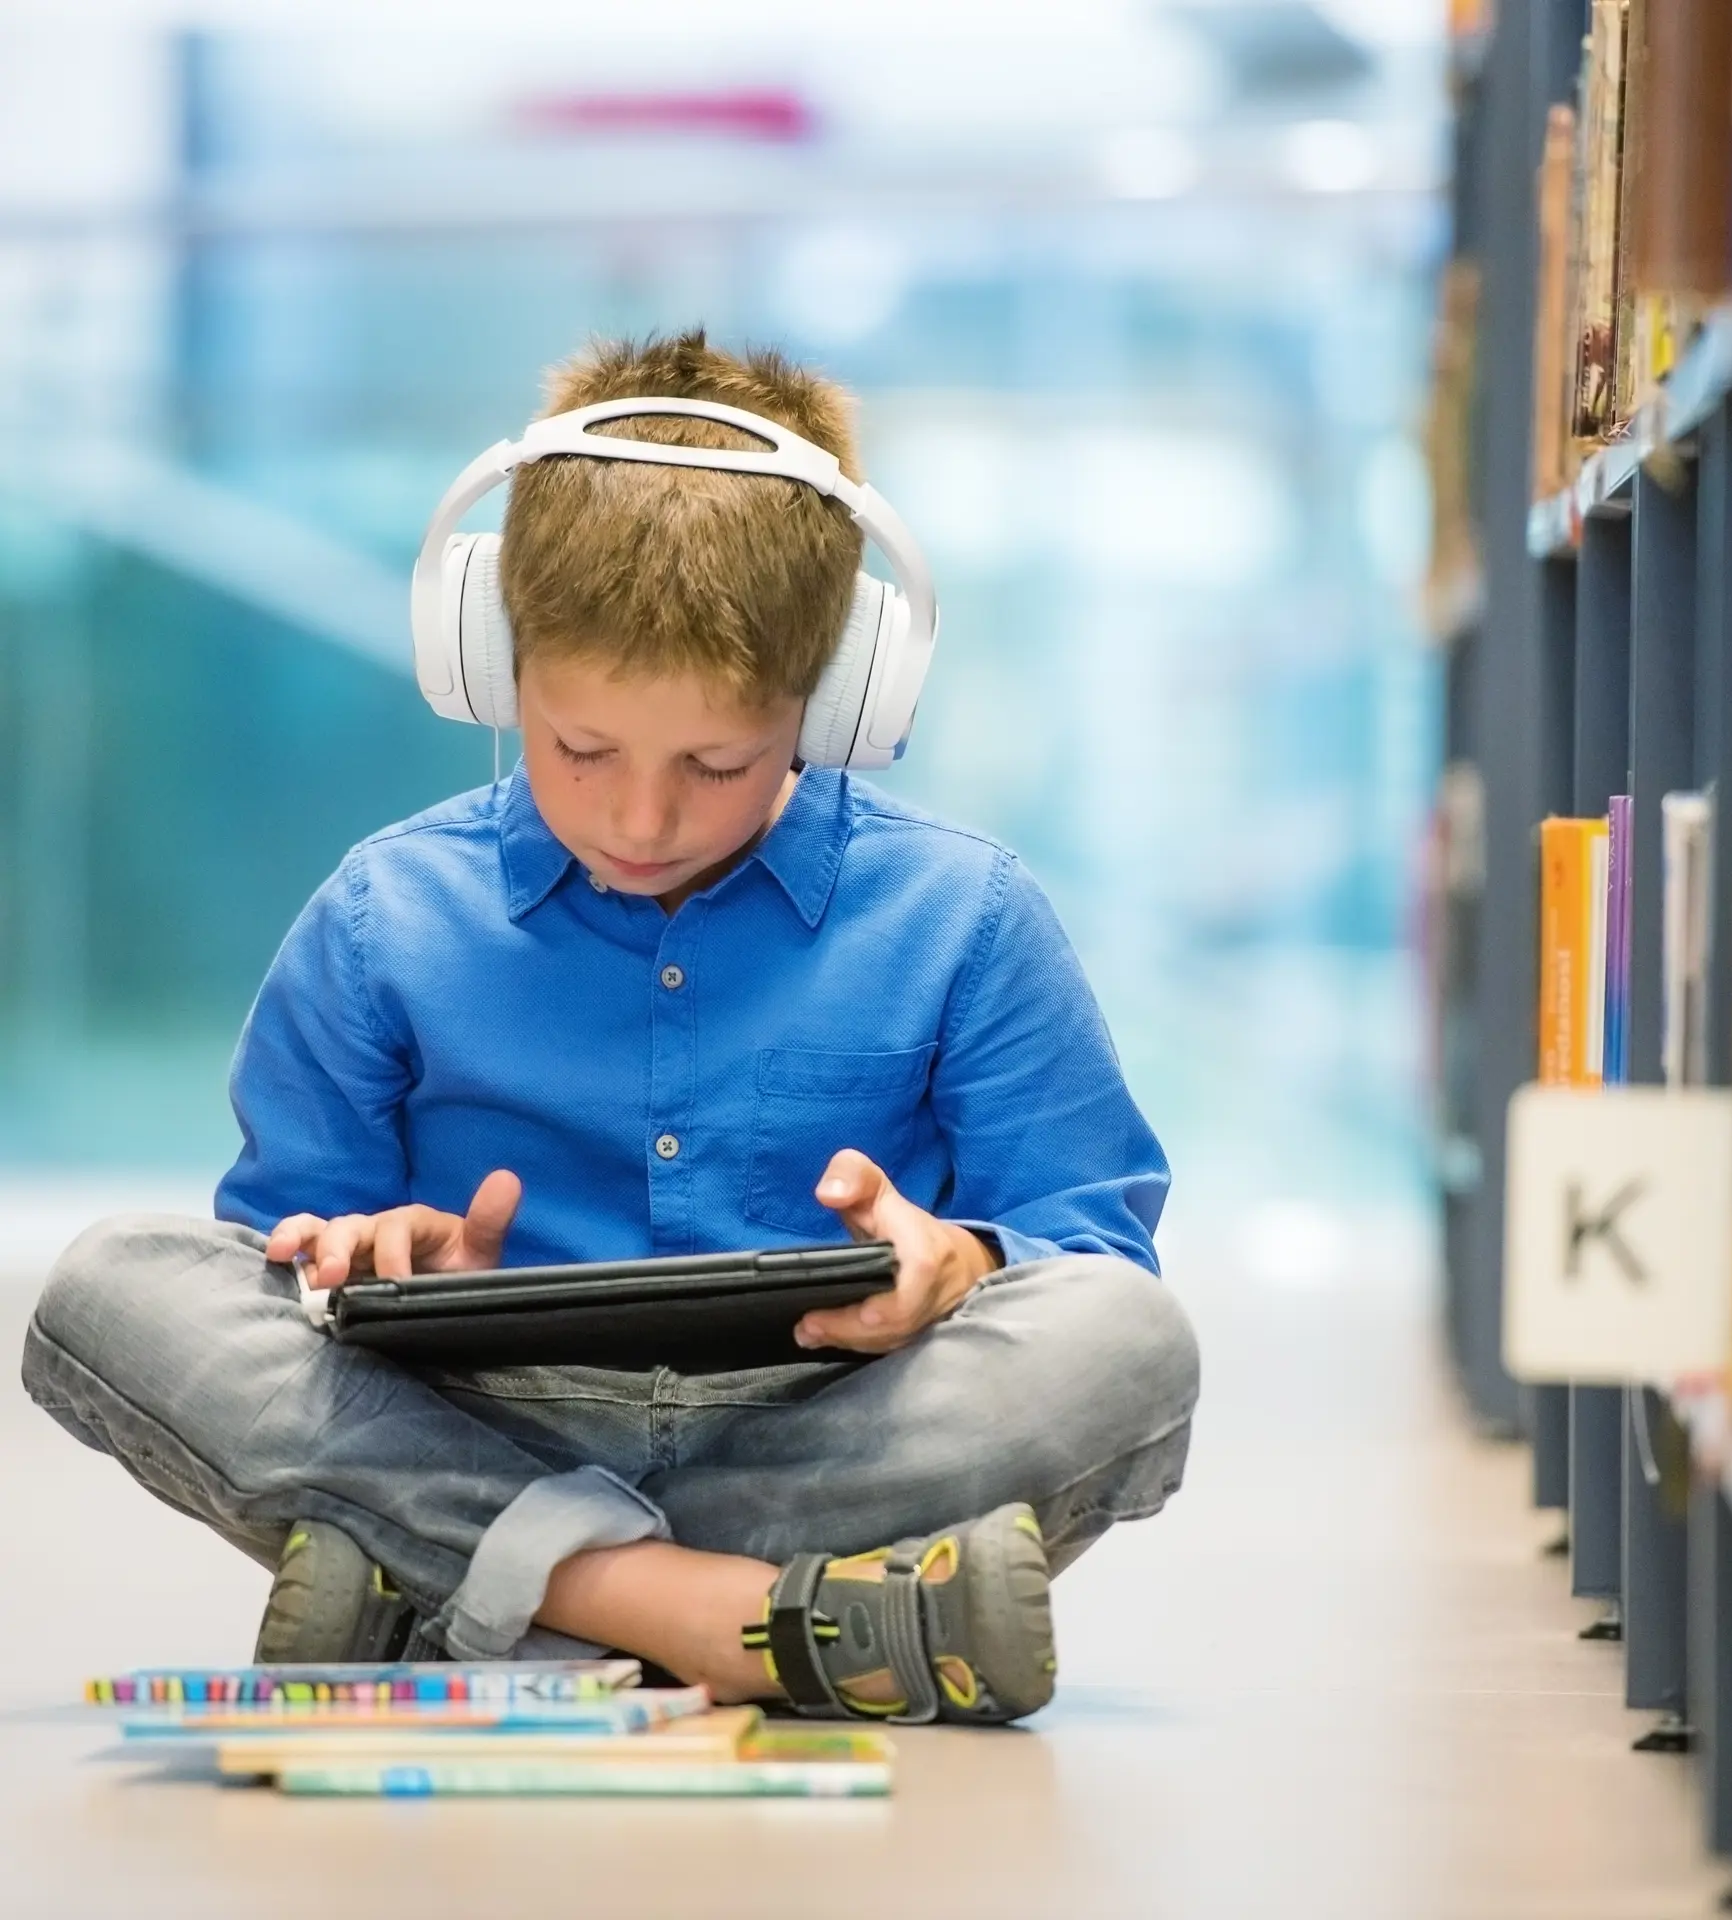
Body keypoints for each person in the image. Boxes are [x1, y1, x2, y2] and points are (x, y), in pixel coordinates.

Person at [21, 329, 1199, 1726]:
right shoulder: (382, 916)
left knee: (1129, 1338)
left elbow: (1092, 1240)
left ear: (837, 697)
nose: (640, 819)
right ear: (488, 661)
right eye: (580, 750)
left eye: (716, 763)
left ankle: (477, 1589)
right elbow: (283, 1256)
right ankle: (754, 1617)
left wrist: (959, 1261)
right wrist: (382, 1255)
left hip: (828, 1424)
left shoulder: (969, 915)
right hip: (472, 1415)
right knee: (112, 1285)